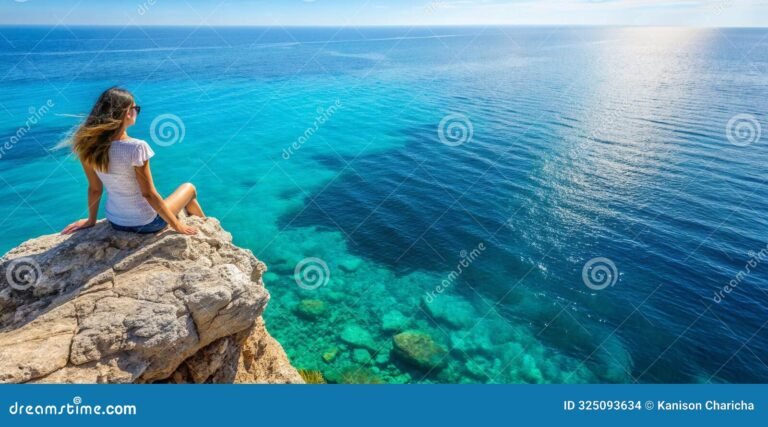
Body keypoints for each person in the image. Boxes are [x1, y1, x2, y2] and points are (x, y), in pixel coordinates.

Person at [62, 87, 202, 235]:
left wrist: (91, 221)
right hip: (148, 223)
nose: (137, 112)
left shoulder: (87, 147)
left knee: (180, 199)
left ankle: (200, 222)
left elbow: (95, 189)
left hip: (116, 222)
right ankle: (204, 225)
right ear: (127, 113)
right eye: (136, 108)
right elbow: (148, 194)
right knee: (189, 188)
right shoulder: (136, 147)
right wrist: (177, 226)